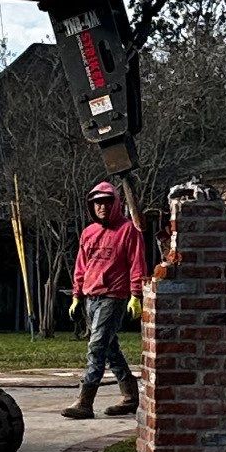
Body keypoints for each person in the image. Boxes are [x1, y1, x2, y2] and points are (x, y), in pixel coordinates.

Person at [62, 179, 148, 419]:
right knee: (110, 348)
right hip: (91, 295)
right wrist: (77, 296)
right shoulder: (88, 232)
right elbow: (81, 265)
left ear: (116, 204)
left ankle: (85, 401)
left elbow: (137, 263)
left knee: (96, 346)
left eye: (107, 202)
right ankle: (130, 396)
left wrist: (135, 295)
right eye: (97, 203)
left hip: (114, 296)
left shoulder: (128, 230)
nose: (102, 207)